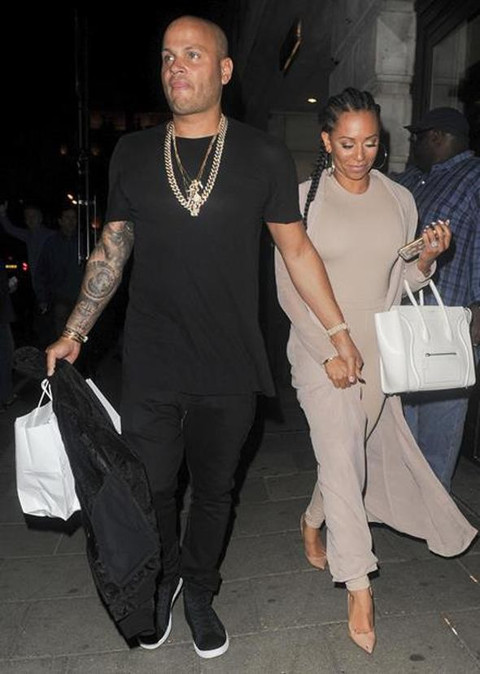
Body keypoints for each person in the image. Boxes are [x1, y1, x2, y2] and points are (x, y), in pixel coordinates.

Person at [45, 16, 363, 660]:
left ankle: (200, 590)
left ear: (224, 70)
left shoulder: (262, 154)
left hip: (230, 362)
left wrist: (339, 331)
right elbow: (113, 248)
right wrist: (75, 330)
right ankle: (164, 579)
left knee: (215, 493)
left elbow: (296, 249)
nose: (176, 67)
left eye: (192, 55)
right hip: (153, 360)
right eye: (168, 56)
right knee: (155, 488)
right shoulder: (134, 152)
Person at [274, 88, 477, 655]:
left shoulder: (399, 199)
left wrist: (428, 258)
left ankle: (312, 518)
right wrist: (327, 350)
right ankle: (359, 584)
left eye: (369, 143)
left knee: (348, 452)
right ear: (325, 141)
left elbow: (401, 280)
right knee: (343, 456)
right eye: (346, 144)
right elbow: (289, 289)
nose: (359, 155)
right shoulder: (302, 201)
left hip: (377, 353)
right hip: (321, 349)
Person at [393, 107, 480, 491]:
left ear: (436, 137)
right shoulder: (415, 179)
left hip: (448, 322)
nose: (412, 145)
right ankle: (405, 501)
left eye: (417, 137)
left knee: (439, 424)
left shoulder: (474, 177)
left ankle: (432, 507)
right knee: (402, 420)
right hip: (402, 316)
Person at [36, 206, 85, 338]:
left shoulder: (84, 241)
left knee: (80, 331)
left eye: (73, 218)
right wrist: (42, 297)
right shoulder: (51, 243)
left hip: (80, 296)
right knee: (61, 330)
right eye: (67, 218)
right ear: (60, 221)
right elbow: (42, 270)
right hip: (59, 296)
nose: (71, 221)